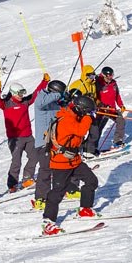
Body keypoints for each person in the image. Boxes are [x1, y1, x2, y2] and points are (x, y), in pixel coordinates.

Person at [41, 93, 100, 236]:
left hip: (74, 160)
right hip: (61, 163)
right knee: (57, 193)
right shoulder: (67, 120)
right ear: (81, 110)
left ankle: (85, 208)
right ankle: (48, 222)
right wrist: (87, 117)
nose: (89, 115)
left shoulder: (73, 116)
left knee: (91, 181)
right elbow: (81, 130)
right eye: (87, 112)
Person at [0, 74, 51, 191]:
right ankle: (12, 185)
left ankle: (27, 178)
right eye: (20, 94)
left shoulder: (25, 102)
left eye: (22, 93)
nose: (22, 96)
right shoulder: (7, 103)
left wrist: (44, 82)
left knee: (34, 156)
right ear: (14, 93)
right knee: (16, 162)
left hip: (28, 136)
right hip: (15, 139)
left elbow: (35, 94)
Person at [31, 79, 68, 210]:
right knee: (45, 169)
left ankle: (67, 189)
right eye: (60, 93)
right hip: (43, 143)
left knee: (62, 166)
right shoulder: (41, 98)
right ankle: (40, 198)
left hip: (56, 142)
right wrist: (59, 95)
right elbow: (40, 103)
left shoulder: (54, 104)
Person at [90, 65, 127, 153]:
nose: (110, 78)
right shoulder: (98, 83)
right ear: (103, 75)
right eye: (108, 76)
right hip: (101, 110)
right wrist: (99, 105)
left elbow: (117, 95)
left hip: (112, 109)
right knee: (97, 129)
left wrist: (121, 105)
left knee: (121, 120)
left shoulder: (113, 83)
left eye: (111, 76)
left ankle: (118, 141)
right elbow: (94, 97)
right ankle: (93, 148)